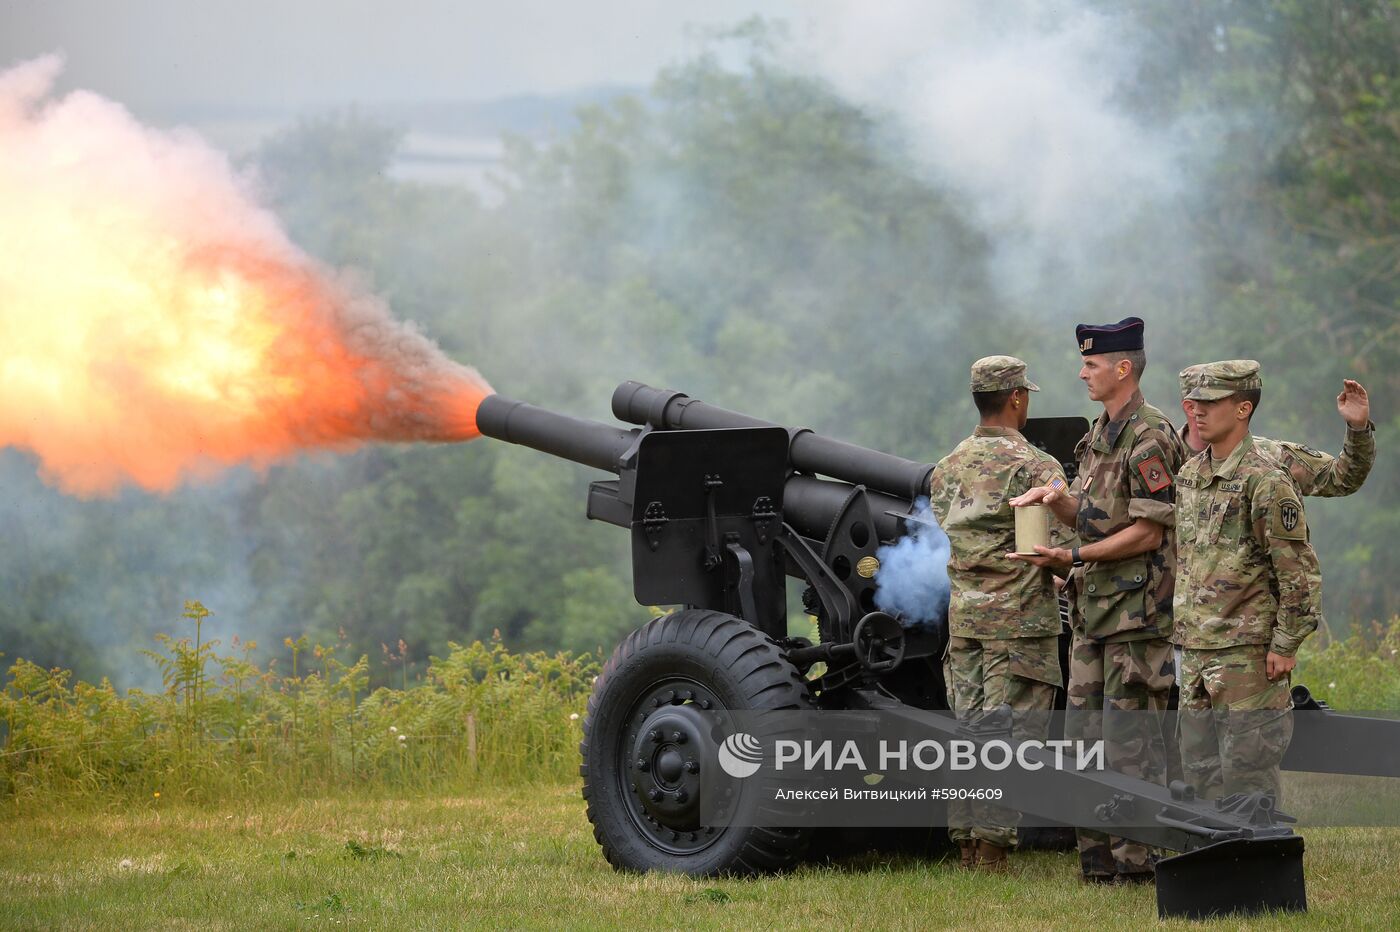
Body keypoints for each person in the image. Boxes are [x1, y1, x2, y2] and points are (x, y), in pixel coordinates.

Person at [1008, 317, 1184, 884]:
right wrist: (1052, 501)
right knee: (1084, 741)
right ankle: (1097, 863)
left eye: (1092, 364)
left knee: (1131, 744)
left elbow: (1149, 532)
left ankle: (1138, 866)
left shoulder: (1151, 436)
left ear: (1123, 368)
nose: (1082, 372)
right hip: (1092, 614)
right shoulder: (1096, 435)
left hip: (1136, 617)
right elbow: (1090, 514)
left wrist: (1076, 560)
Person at [927, 355, 1067, 872]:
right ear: (1016, 398)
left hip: (965, 624)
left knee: (970, 734)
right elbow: (1063, 546)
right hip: (1021, 626)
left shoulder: (947, 469)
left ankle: (966, 843)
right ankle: (991, 850)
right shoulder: (1036, 468)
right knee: (1011, 740)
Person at [1173, 360, 1323, 802]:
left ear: (1242, 408)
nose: (1196, 411)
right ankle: (1212, 869)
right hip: (1197, 650)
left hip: (1246, 653)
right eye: (1193, 402)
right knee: (1199, 775)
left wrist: (1285, 643)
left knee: (1247, 777)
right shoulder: (1190, 475)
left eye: (1210, 402)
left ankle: (1258, 865)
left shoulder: (1265, 480)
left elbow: (1297, 570)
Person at [1177, 365, 1375, 496]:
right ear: (1189, 407)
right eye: (1199, 402)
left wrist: (1357, 428)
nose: (1201, 411)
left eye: (1210, 401)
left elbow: (1341, 479)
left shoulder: (1269, 457)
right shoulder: (1162, 454)